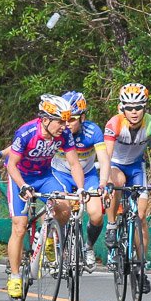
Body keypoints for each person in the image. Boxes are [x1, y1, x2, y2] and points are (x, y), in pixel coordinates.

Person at [5, 94, 86, 298]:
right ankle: (15, 277)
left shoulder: (64, 134)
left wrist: (81, 188)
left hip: (44, 176)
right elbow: (11, 165)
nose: (64, 126)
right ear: (46, 119)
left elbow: (74, 164)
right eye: (60, 121)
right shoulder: (26, 133)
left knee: (65, 207)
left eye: (66, 121)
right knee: (19, 226)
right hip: (20, 178)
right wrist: (22, 186)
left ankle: (49, 237)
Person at [103, 83, 151, 295]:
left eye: (138, 107)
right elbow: (106, 155)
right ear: (121, 107)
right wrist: (105, 182)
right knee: (116, 182)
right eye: (129, 107)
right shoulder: (114, 123)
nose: (134, 112)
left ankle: (141, 268)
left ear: (145, 107)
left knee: (141, 216)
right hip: (114, 164)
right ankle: (112, 226)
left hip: (136, 167)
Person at [51, 91, 111, 273]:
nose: (66, 124)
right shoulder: (57, 130)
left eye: (72, 119)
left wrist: (103, 184)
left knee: (96, 214)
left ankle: (89, 247)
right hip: (61, 174)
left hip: (88, 175)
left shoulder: (93, 131)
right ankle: (56, 253)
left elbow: (104, 158)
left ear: (82, 117)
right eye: (64, 119)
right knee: (61, 211)